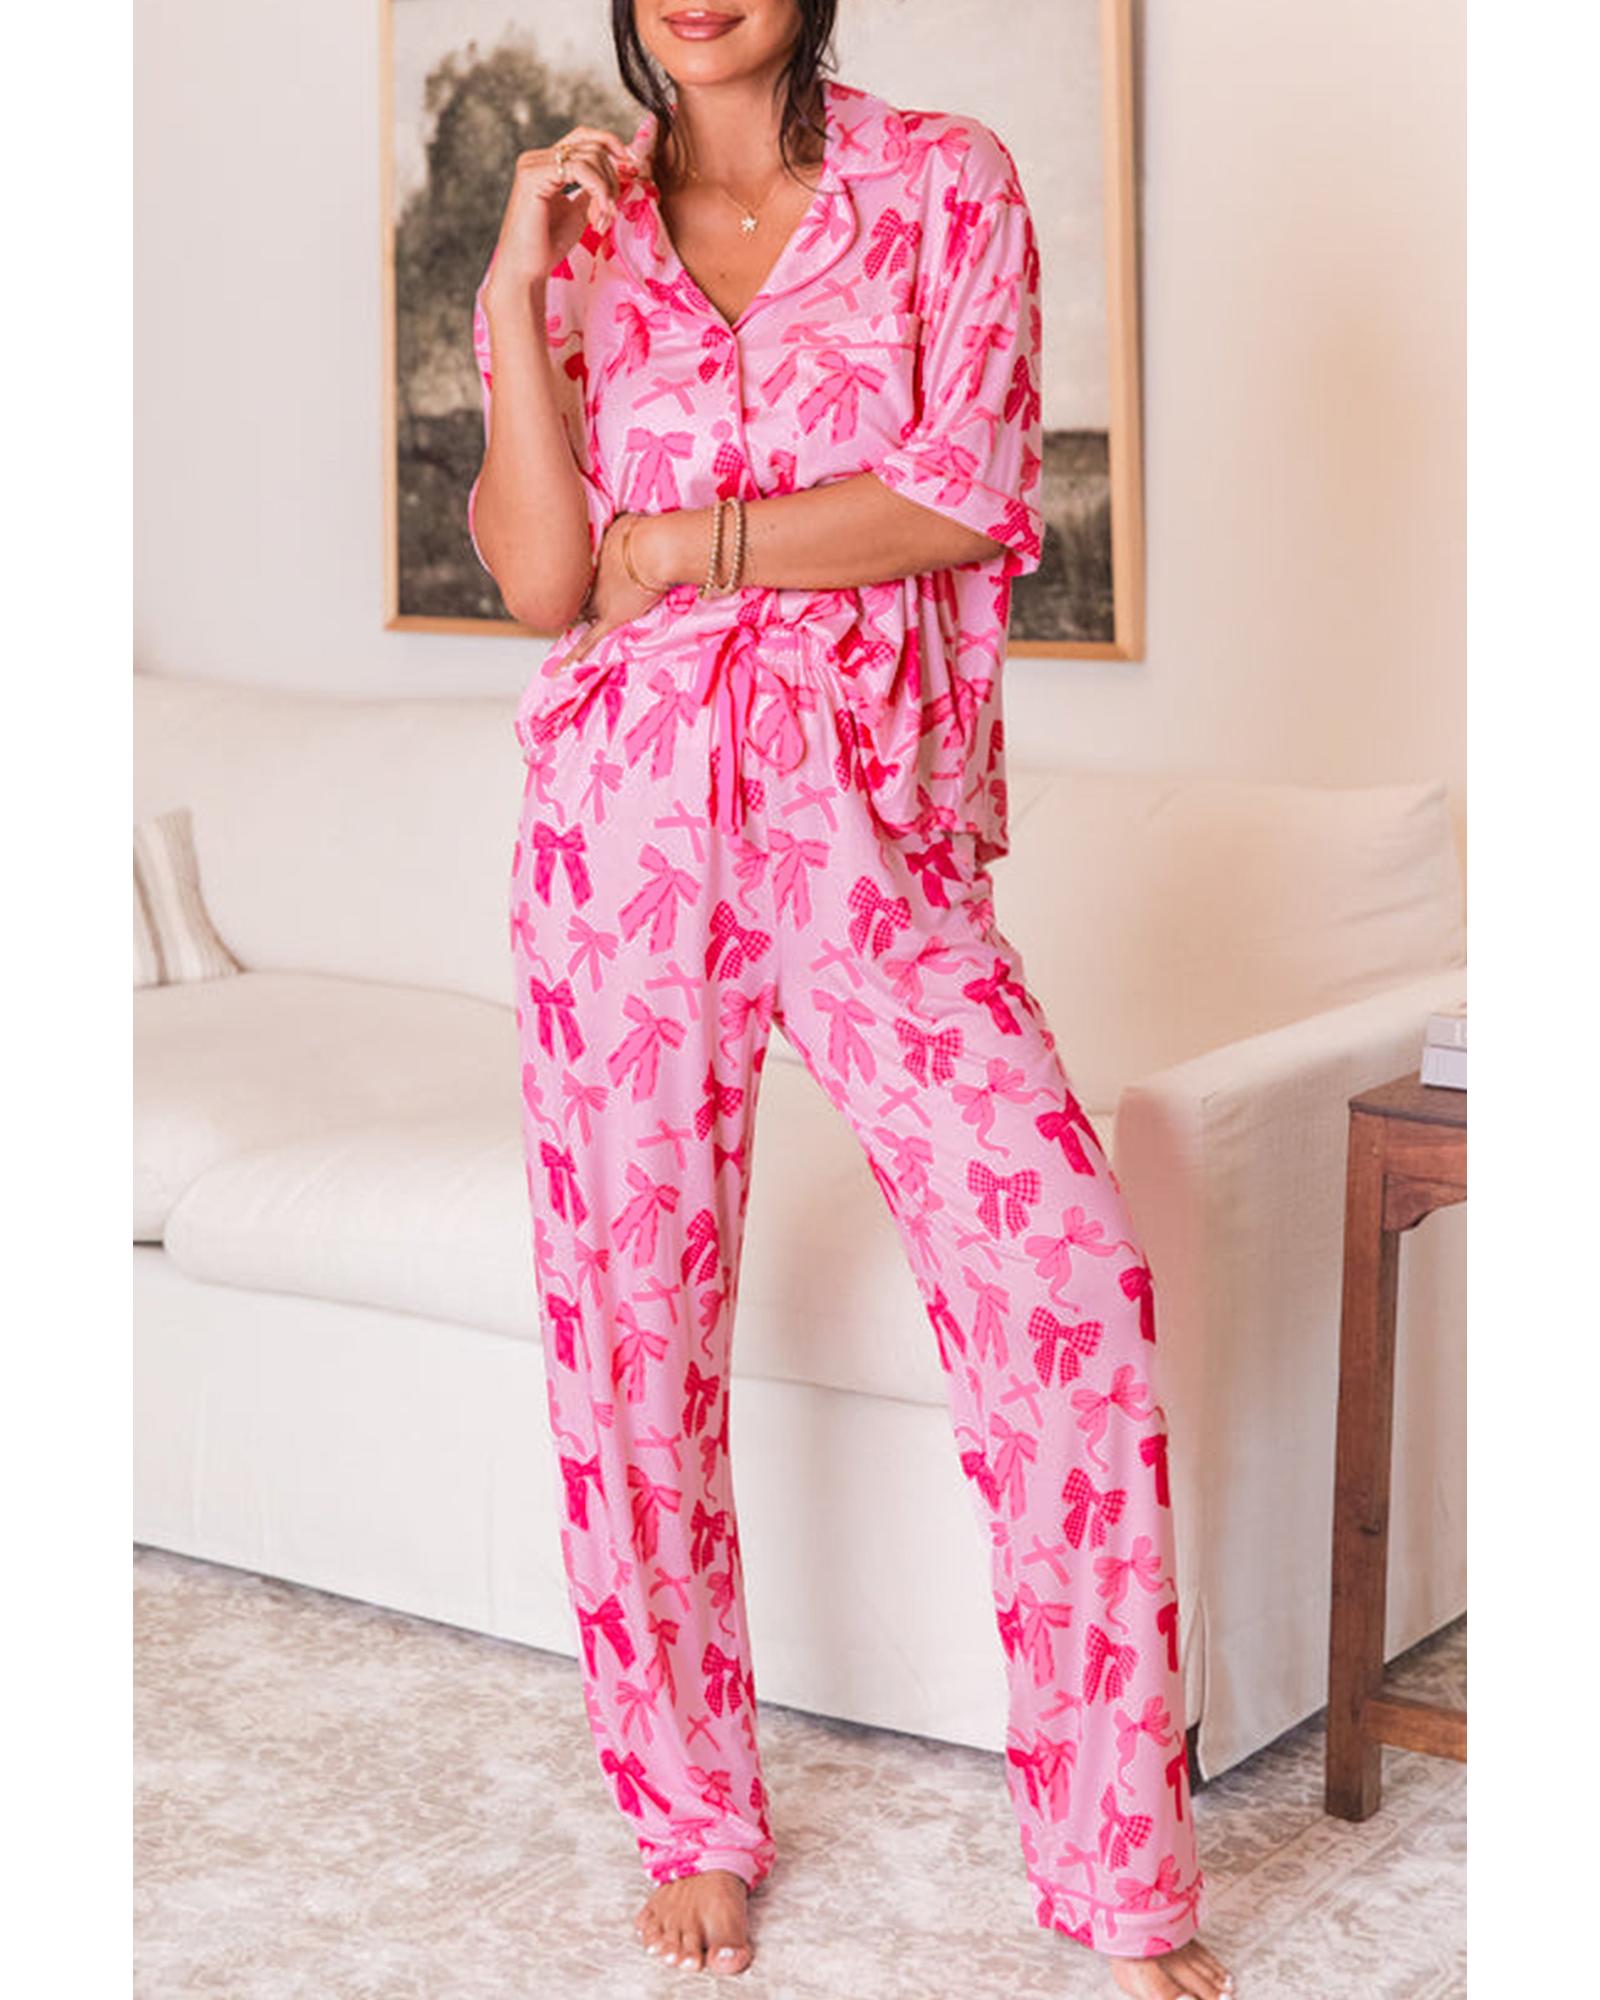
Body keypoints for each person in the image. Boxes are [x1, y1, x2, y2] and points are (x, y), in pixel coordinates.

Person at [468, 6, 1232, 1995]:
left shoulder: (940, 183)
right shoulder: (579, 230)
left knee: (1063, 1282)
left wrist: (682, 545)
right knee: (629, 1331)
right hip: (622, 828)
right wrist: (513, 287)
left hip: (865, 818)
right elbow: (544, 583)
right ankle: (688, 1814)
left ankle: (1113, 1866)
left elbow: (960, 489)